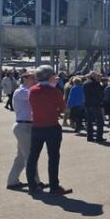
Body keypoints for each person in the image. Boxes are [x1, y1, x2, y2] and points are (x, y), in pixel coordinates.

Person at [25, 65, 71, 196]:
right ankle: (54, 186)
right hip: (52, 126)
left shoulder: (32, 90)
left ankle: (32, 186)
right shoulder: (54, 91)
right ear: (50, 77)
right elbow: (63, 109)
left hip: (37, 127)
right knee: (53, 157)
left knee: (33, 157)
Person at [6, 70, 44, 190]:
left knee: (21, 157)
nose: (35, 80)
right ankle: (35, 182)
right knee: (30, 156)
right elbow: (36, 95)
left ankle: (12, 181)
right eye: (33, 78)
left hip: (26, 126)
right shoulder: (22, 91)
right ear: (25, 78)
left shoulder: (26, 90)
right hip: (24, 126)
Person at [83, 71, 105, 143]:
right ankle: (99, 137)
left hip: (87, 104)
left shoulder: (85, 83)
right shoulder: (96, 84)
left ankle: (89, 137)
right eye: (96, 76)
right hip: (95, 104)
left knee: (89, 121)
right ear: (94, 76)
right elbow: (100, 94)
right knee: (100, 121)